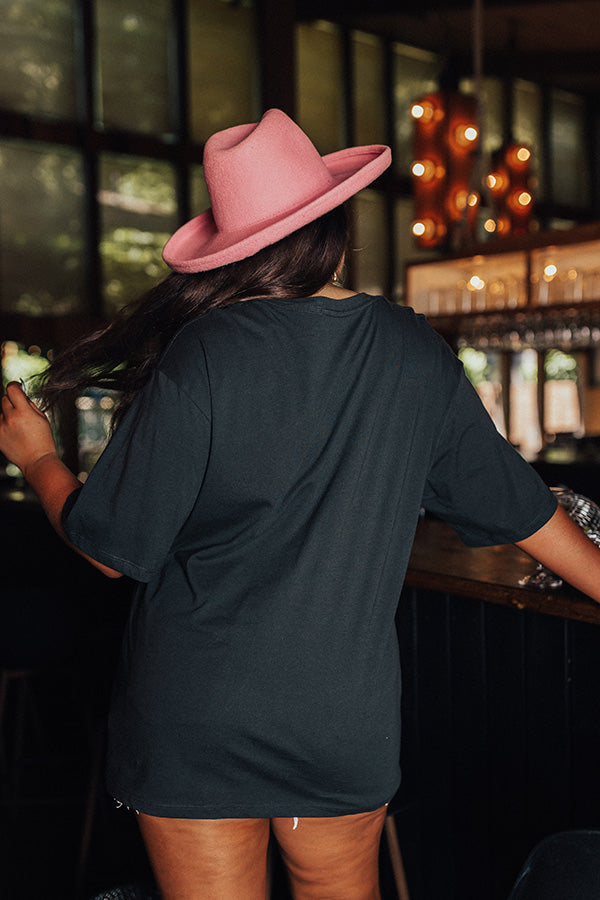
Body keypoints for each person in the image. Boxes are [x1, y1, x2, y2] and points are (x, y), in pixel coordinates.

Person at [1, 108, 600, 900]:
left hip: (196, 714)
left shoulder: (203, 354)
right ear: (335, 229)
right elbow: (520, 508)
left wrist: (40, 459)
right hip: (339, 723)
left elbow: (110, 548)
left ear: (232, 252)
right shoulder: (408, 347)